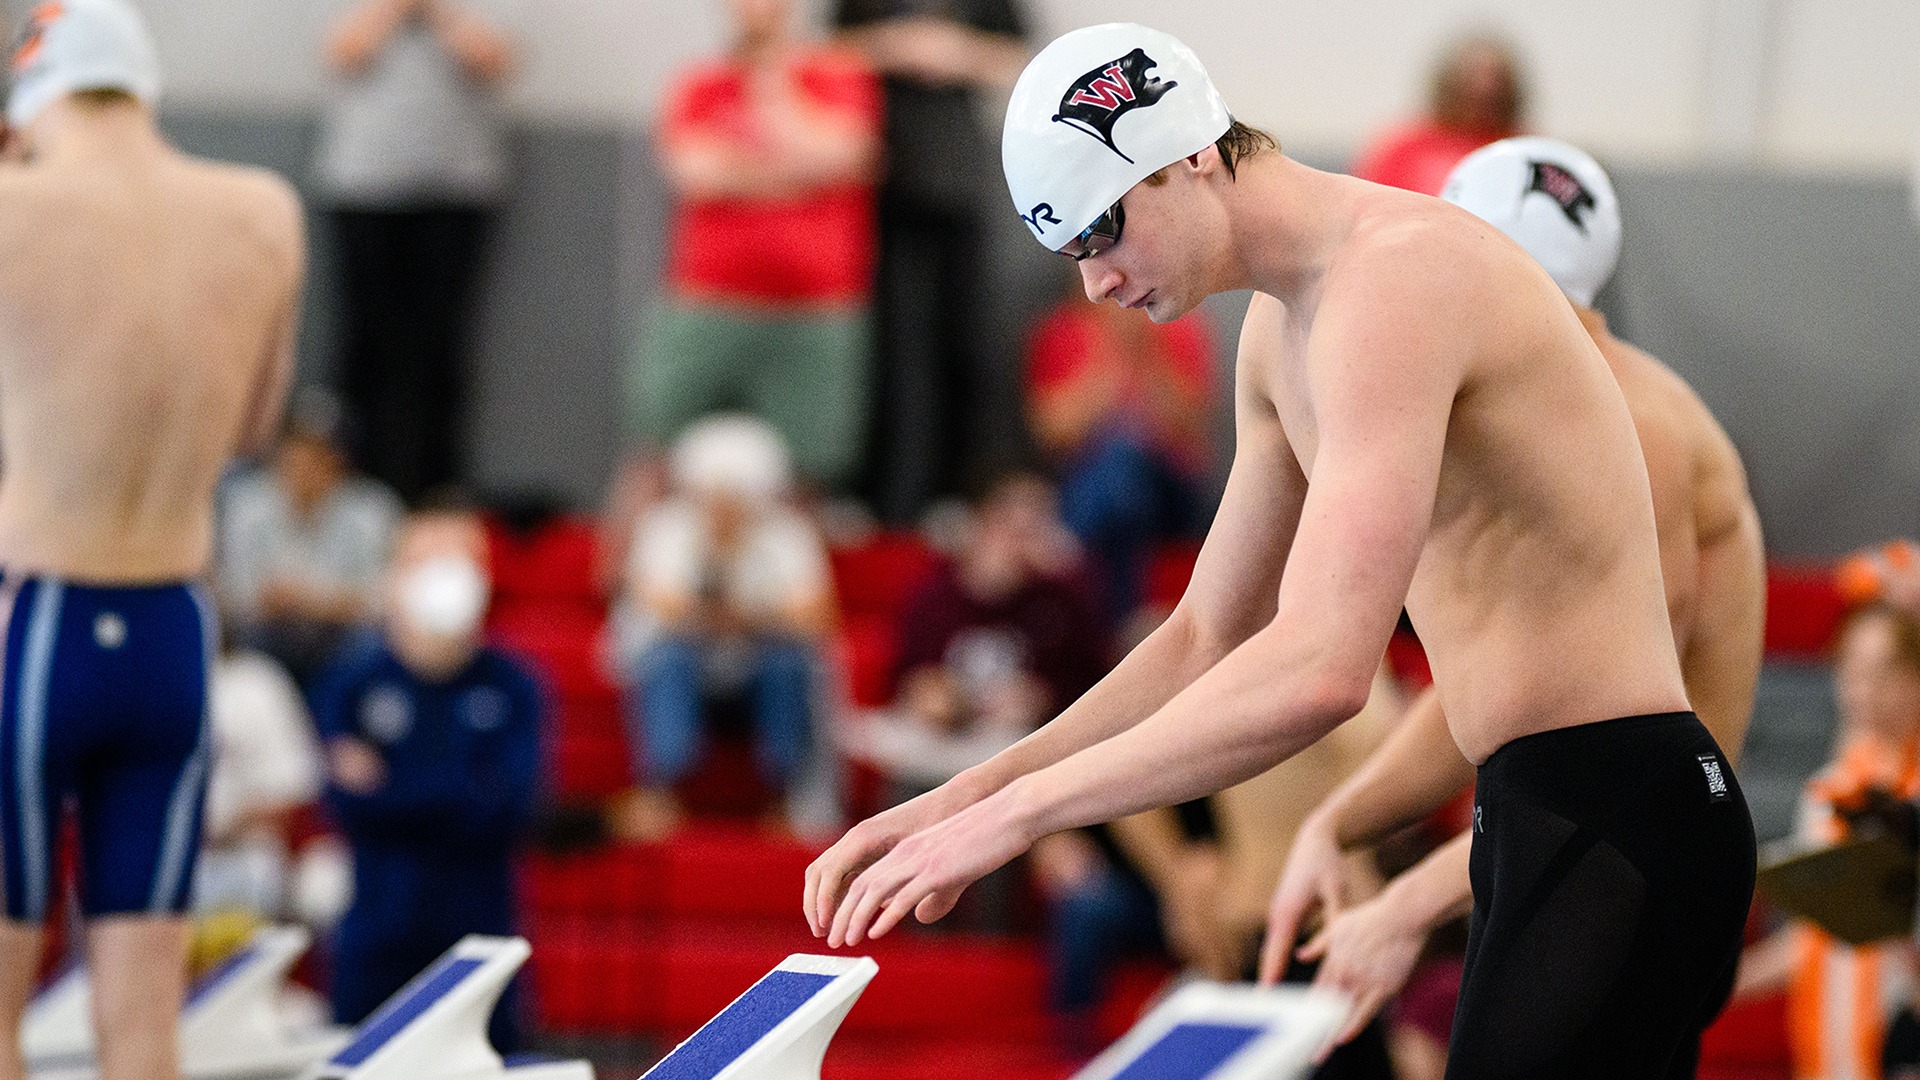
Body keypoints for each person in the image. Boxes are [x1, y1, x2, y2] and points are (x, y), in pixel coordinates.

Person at [804, 24, 1757, 1077]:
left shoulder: (1394, 279)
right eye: (1071, 252)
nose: (1096, 284)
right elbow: (1205, 636)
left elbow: (1320, 670)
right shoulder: (1278, 330)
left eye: (1101, 232)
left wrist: (1022, 819)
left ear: (1188, 156)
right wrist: (965, 797)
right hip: (1536, 807)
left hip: (1620, 805)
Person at [1260, 137, 1768, 1068]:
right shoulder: (1586, 398)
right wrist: (1343, 821)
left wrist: (1402, 906)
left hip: (1628, 849)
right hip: (1606, 833)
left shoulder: (1627, 427)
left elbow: (1607, 731)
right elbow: (1491, 685)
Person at [0, 3, 305, 1078]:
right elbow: (256, 425)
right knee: (144, 1037)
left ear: (30, 105)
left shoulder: (13, 208)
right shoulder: (262, 214)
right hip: (176, 632)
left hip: (34, 629)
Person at [313, 504, 540, 1052]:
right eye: (426, 561)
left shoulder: (513, 686)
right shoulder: (353, 684)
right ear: (395, 579)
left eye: (458, 561)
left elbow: (509, 805)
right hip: (377, 930)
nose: (443, 576)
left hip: (481, 930)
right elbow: (344, 804)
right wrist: (459, 789)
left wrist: (391, 786)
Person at [633, 0, 882, 491]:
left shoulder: (839, 76)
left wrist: (772, 81)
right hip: (707, 303)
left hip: (817, 311)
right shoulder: (700, 83)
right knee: (653, 458)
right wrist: (799, 172)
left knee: (811, 474)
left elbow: (846, 154)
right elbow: (693, 173)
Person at [833, 0, 1028, 522]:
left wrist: (955, 51)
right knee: (894, 351)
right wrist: (896, 47)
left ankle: (960, 494)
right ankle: (887, 498)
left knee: (970, 344)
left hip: (961, 189)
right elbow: (831, 50)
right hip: (889, 192)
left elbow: (1018, 54)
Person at [314, 0, 517, 503]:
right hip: (364, 190)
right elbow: (343, 53)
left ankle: (434, 495)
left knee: (439, 351)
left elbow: (494, 62)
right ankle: (349, 486)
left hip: (456, 193)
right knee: (362, 347)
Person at [612, 415, 835, 837]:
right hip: (688, 666)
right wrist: (749, 613)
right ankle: (663, 790)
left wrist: (739, 616)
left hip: (759, 670)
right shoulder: (665, 527)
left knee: (789, 664)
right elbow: (656, 603)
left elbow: (815, 615)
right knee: (667, 658)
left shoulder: (789, 534)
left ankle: (781, 796)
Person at [1734, 603, 1920, 1080]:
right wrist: (1726, 982)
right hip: (1831, 1040)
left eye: (1885, 673)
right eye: (1852, 673)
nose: (1864, 692)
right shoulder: (1828, 789)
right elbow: (1816, 935)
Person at [1025, 284, 1215, 623]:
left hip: (1170, 489)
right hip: (1090, 486)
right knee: (1118, 477)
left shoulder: (1177, 324)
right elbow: (1052, 435)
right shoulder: (1063, 331)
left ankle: (1069, 552)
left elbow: (1194, 426)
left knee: (1124, 466)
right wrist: (1107, 354)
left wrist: (1145, 352)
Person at [219, 388, 402, 687]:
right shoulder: (247, 503)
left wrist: (311, 600)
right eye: (296, 449)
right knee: (240, 646)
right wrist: (277, 600)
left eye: (319, 452)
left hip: (340, 638)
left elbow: (382, 603)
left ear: (340, 459)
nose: (304, 463)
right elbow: (234, 596)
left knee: (371, 646)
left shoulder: (371, 510)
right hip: (266, 633)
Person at [1349, 34, 1526, 196]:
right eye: (1472, 79)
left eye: (1495, 80)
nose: (1485, 89)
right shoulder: (1403, 150)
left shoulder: (1526, 151)